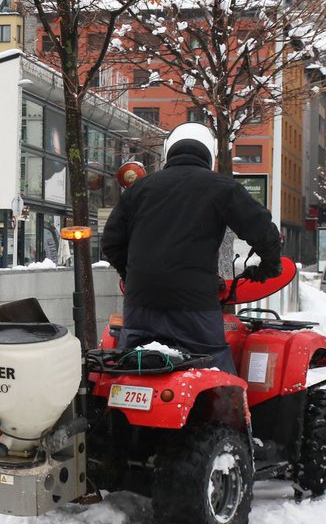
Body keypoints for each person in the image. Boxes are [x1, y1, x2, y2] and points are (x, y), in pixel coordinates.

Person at [101, 122, 282, 373]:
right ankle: (222, 413)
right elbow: (262, 228)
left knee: (133, 366)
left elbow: (111, 242)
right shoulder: (222, 187)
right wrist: (270, 265)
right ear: (210, 155)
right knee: (212, 367)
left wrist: (131, 276)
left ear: (169, 153)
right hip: (195, 304)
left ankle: (123, 408)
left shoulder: (139, 189)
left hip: (141, 302)